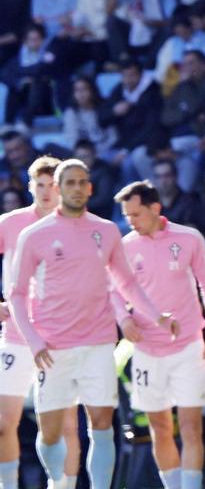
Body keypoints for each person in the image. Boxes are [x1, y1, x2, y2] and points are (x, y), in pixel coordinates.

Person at [7, 159, 176, 489]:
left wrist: (157, 316)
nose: (76, 188)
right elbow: (16, 294)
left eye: (81, 182)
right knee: (50, 434)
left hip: (98, 344)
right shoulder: (34, 235)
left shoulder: (107, 230)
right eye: (69, 182)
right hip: (52, 347)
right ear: (58, 189)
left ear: (90, 188)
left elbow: (126, 282)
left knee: (102, 425)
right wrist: (33, 341)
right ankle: (58, 482)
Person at [114, 180, 205, 489]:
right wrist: (123, 318)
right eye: (126, 216)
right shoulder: (125, 246)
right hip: (146, 348)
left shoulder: (188, 237)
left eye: (135, 214)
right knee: (160, 428)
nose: (130, 221)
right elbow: (114, 289)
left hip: (188, 344)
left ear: (155, 208)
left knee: (191, 427)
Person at [0, 157, 81, 489]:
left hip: (62, 339)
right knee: (3, 424)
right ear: (30, 186)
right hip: (16, 336)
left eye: (52, 185)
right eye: (40, 185)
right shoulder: (9, 223)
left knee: (65, 427)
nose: (46, 192)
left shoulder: (79, 227)